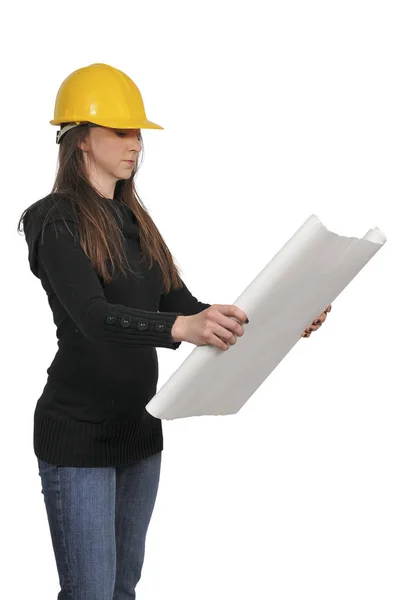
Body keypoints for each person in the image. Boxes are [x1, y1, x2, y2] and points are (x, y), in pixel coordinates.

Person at [17, 62, 330, 599]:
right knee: (89, 593)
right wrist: (183, 326)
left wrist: (277, 320)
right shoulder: (54, 219)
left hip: (140, 430)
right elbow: (94, 319)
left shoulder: (133, 220)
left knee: (122, 589)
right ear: (81, 140)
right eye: (121, 131)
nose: (136, 143)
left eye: (138, 132)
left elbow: (181, 305)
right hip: (78, 434)